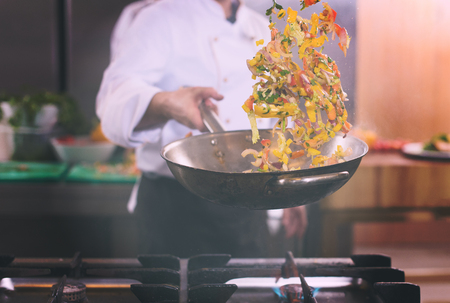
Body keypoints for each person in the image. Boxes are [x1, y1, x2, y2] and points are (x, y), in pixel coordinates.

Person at [96, 0, 307, 258]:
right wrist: (166, 104)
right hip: (176, 209)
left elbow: (276, 120)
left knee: (248, 296)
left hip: (248, 209)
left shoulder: (262, 28)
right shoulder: (159, 18)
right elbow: (113, 101)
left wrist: (287, 188)